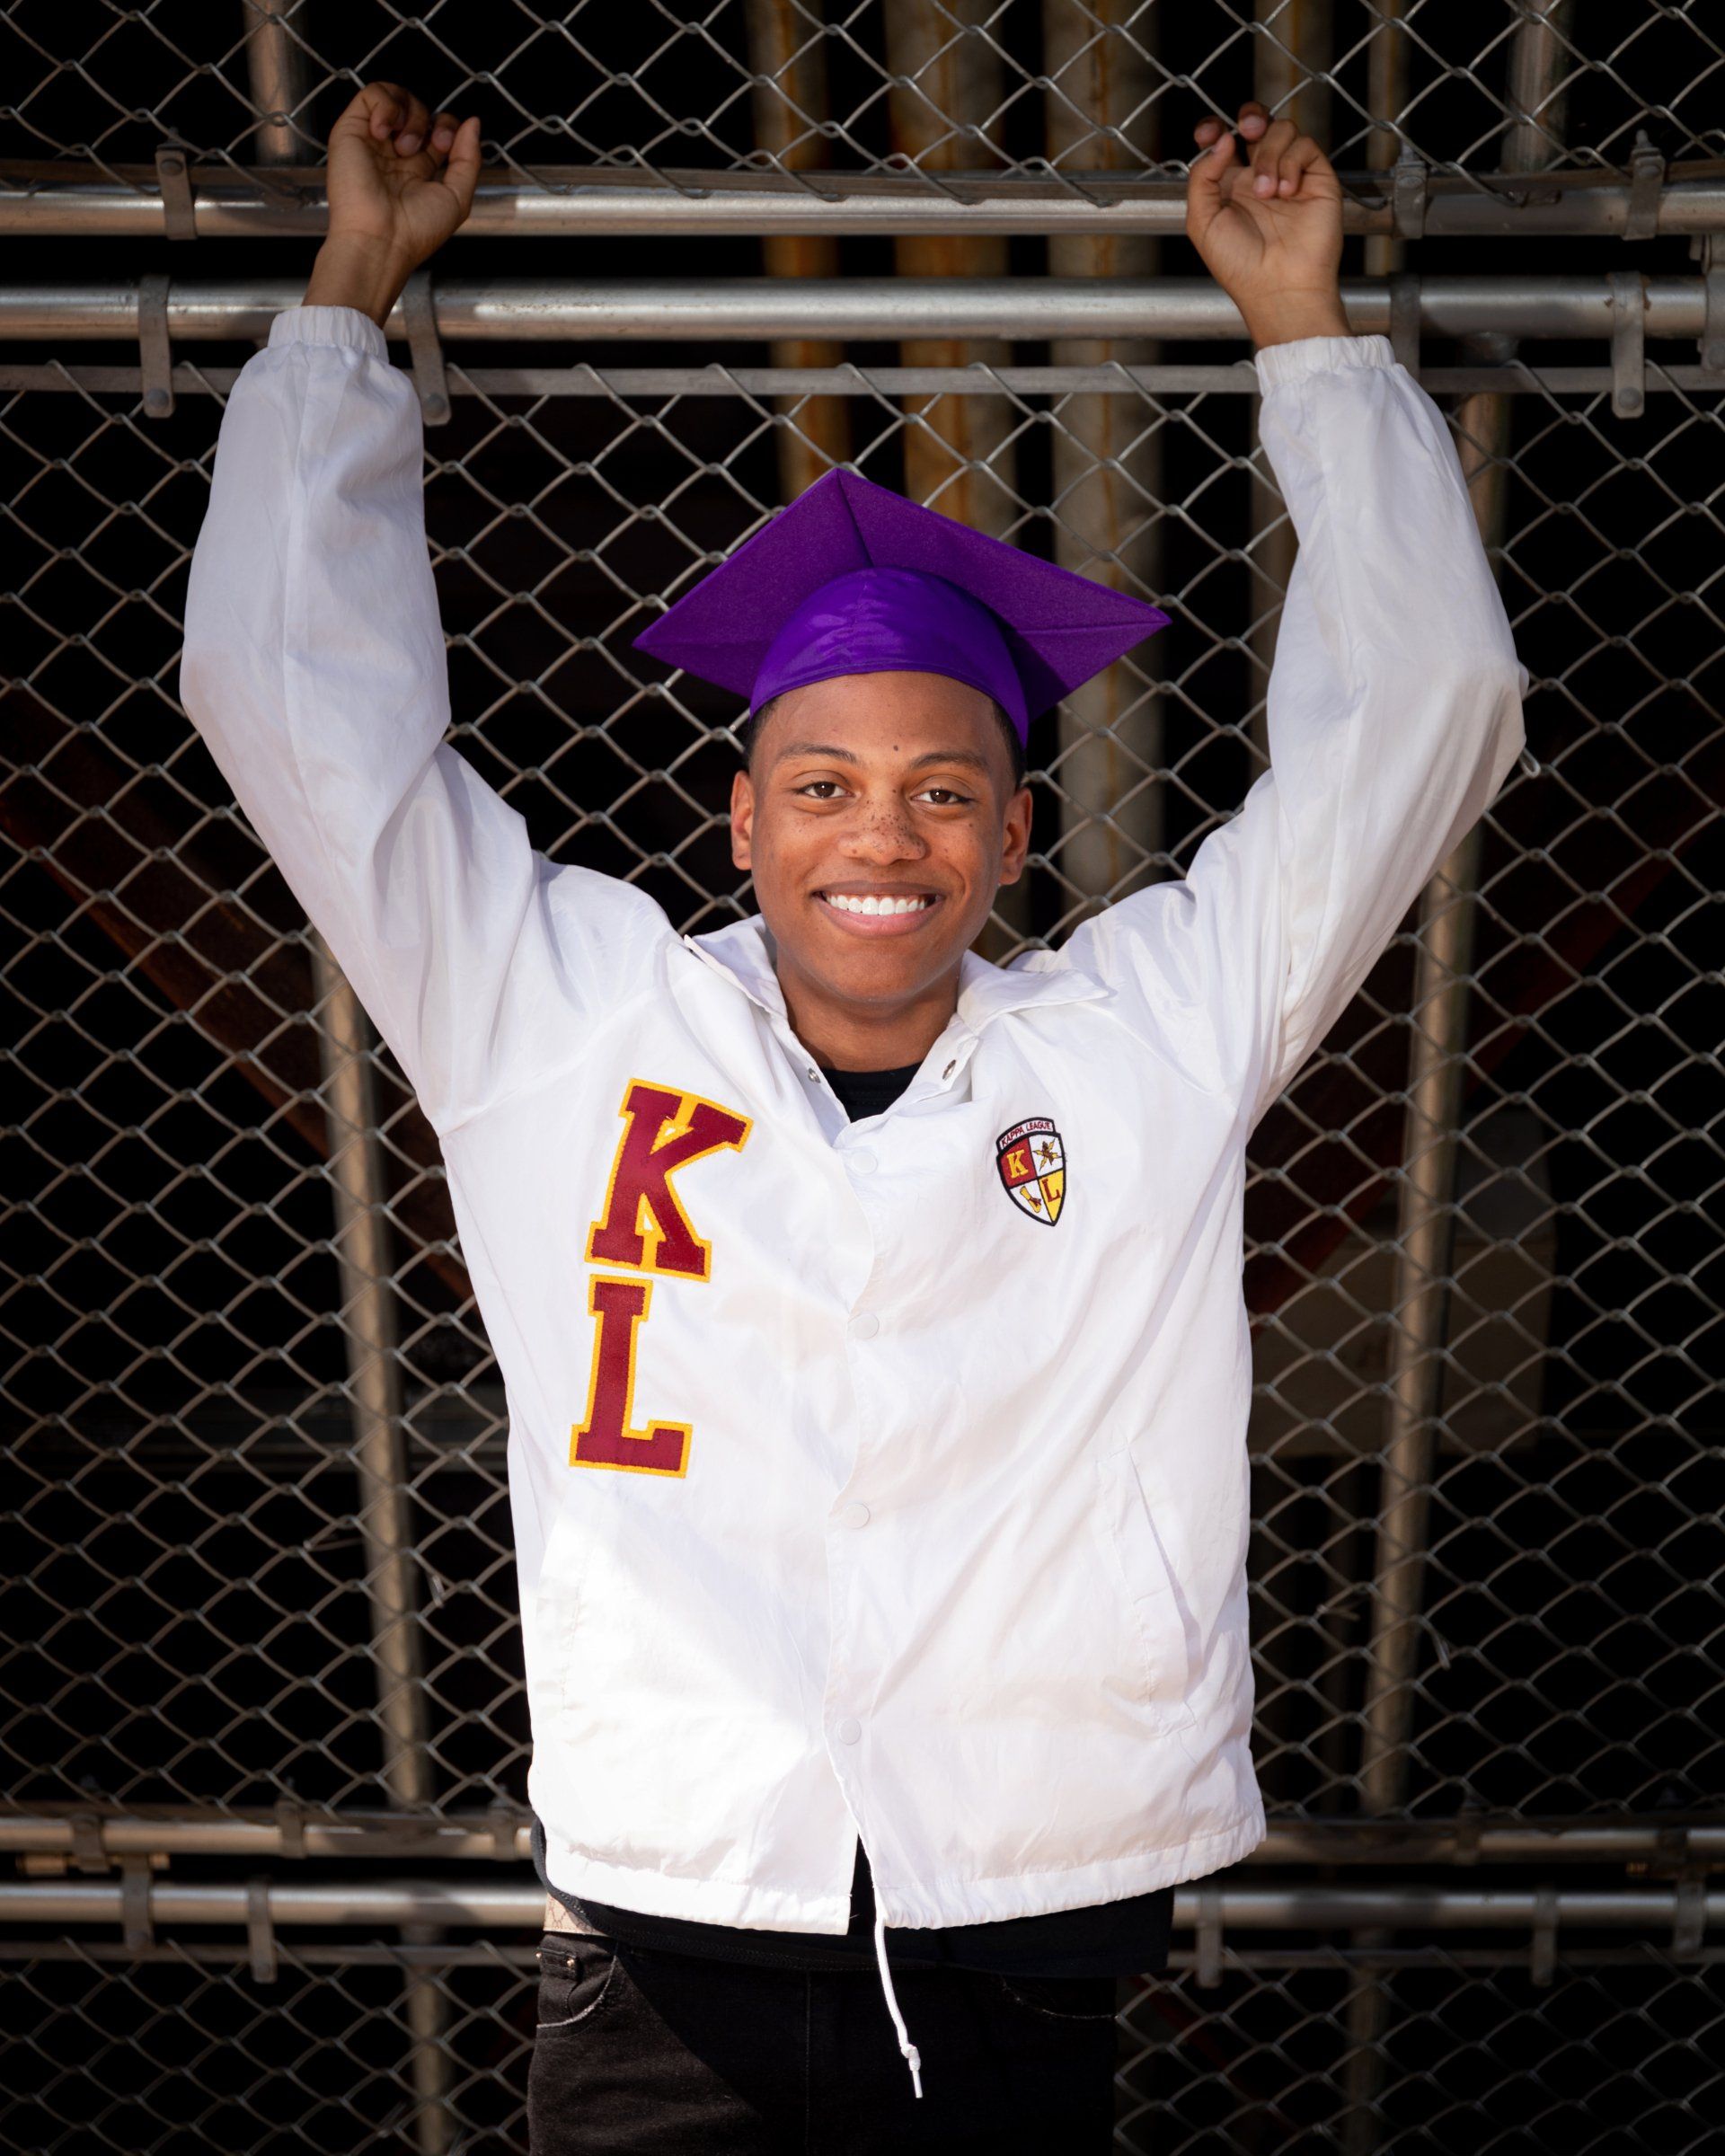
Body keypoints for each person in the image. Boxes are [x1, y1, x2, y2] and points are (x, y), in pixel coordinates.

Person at [179, 78, 1526, 2155]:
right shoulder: (558, 1011)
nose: (878, 835)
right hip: (674, 1901)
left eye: (942, 790)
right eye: (820, 785)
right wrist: (347, 299)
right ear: (741, 816)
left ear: (1007, 837)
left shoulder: (1141, 1033)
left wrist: (1312, 345)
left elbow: (1420, 726)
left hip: (1031, 1891)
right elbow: (293, 701)